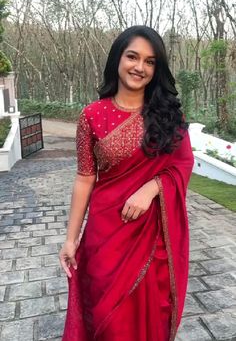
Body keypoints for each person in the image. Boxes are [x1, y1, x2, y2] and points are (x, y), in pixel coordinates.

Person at [59, 25, 194, 341]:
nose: (140, 67)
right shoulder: (92, 115)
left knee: (147, 317)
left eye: (150, 62)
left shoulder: (167, 116)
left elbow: (183, 165)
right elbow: (84, 177)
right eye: (133, 56)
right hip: (105, 235)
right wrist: (70, 239)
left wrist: (151, 188)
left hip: (151, 236)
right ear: (117, 59)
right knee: (109, 319)